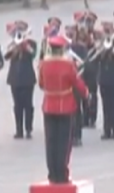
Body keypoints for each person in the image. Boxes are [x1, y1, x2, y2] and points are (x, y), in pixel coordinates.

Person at [38, 34, 89, 184]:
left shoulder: (43, 64)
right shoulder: (68, 65)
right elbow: (77, 83)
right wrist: (86, 94)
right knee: (64, 142)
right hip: (65, 106)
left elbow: (41, 84)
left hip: (48, 105)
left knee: (51, 141)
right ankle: (62, 173)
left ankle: (52, 173)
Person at [4, 20, 37, 139]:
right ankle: (19, 129)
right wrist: (15, 47)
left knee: (28, 105)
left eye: (21, 29)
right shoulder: (12, 43)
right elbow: (6, 56)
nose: (18, 31)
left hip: (28, 78)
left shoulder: (31, 43)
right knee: (17, 105)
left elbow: (33, 55)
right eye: (17, 28)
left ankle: (28, 128)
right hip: (14, 78)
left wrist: (24, 45)